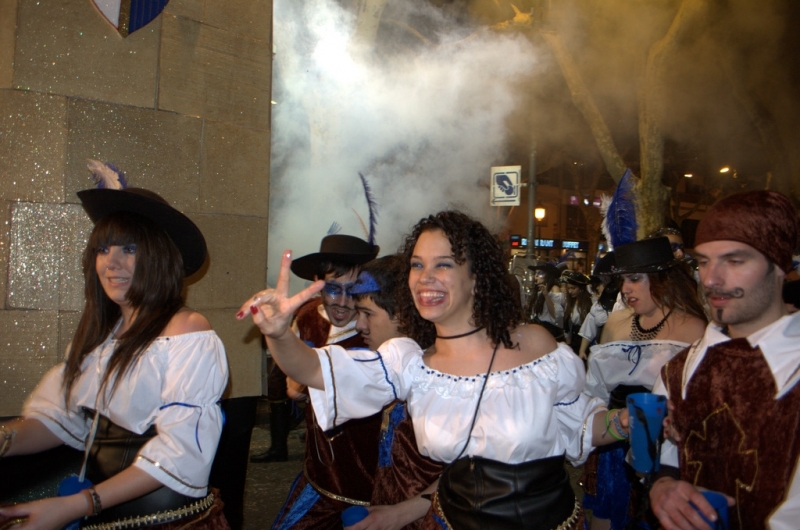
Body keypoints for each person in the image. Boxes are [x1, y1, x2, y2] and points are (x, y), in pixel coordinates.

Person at [239, 210, 630, 530]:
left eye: (443, 264)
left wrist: (626, 423)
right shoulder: (411, 364)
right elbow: (314, 371)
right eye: (417, 265)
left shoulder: (536, 345)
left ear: (476, 278)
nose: (425, 277)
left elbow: (579, 425)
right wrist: (278, 335)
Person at [0, 186, 229, 529]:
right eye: (103, 249)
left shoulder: (188, 331)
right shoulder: (101, 335)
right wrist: (5, 438)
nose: (112, 262)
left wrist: (76, 506)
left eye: (129, 248)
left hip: (166, 523)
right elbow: (61, 418)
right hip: (100, 517)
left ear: (158, 255)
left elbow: (180, 453)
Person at [649, 190, 800, 530]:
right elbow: (666, 458)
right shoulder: (680, 370)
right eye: (703, 261)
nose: (711, 279)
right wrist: (662, 487)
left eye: (734, 261)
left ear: (778, 266)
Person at [253, 234, 379, 529]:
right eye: (333, 289)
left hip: (371, 473)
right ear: (316, 283)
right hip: (321, 469)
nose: (343, 302)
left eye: (353, 291)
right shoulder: (307, 315)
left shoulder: (377, 326)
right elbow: (292, 388)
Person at [581, 237, 707, 530]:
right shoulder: (615, 323)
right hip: (612, 444)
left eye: (635, 279)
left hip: (664, 450)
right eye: (624, 280)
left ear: (662, 279)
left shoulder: (694, 327)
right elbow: (596, 388)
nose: (626, 289)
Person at [346, 255, 443, 529]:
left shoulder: (439, 375)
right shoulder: (389, 366)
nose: (359, 326)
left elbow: (472, 470)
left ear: (401, 313)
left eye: (367, 314)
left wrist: (401, 513)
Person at [526, 261, 565, 340]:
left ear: (548, 275)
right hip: (537, 329)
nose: (536, 276)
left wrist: (546, 296)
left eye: (540, 273)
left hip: (549, 332)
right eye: (535, 273)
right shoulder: (537, 290)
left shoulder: (554, 289)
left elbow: (556, 315)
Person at [561, 270, 593, 356]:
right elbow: (567, 326)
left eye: (573, 288)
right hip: (573, 341)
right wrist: (568, 345)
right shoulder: (569, 302)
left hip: (587, 341)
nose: (570, 291)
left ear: (581, 288)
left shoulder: (590, 303)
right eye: (569, 288)